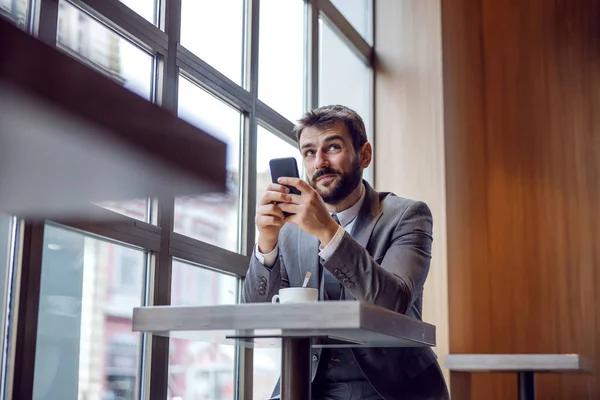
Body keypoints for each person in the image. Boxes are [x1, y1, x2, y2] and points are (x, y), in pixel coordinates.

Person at [243, 105, 449, 400]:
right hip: (310, 388)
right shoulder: (289, 230)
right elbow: (254, 319)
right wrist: (266, 244)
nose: (319, 163)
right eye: (309, 152)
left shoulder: (407, 215)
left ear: (364, 154)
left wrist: (328, 230)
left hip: (393, 390)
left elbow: (393, 303)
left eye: (333, 147)